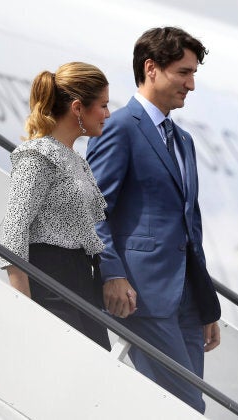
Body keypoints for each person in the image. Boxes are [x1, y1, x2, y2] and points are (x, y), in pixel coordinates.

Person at [86, 27, 221, 413]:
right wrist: (112, 273)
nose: (191, 84)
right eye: (184, 72)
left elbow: (189, 228)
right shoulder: (119, 127)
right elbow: (93, 207)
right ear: (151, 68)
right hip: (140, 294)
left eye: (193, 74)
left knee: (184, 407)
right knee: (185, 406)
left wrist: (204, 304)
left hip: (186, 302)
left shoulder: (183, 141)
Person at [1, 62, 112, 351]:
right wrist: (22, 305)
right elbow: (14, 230)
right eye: (102, 105)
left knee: (96, 365)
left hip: (79, 279)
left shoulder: (76, 160)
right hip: (49, 279)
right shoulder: (36, 155)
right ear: (77, 108)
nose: (107, 114)